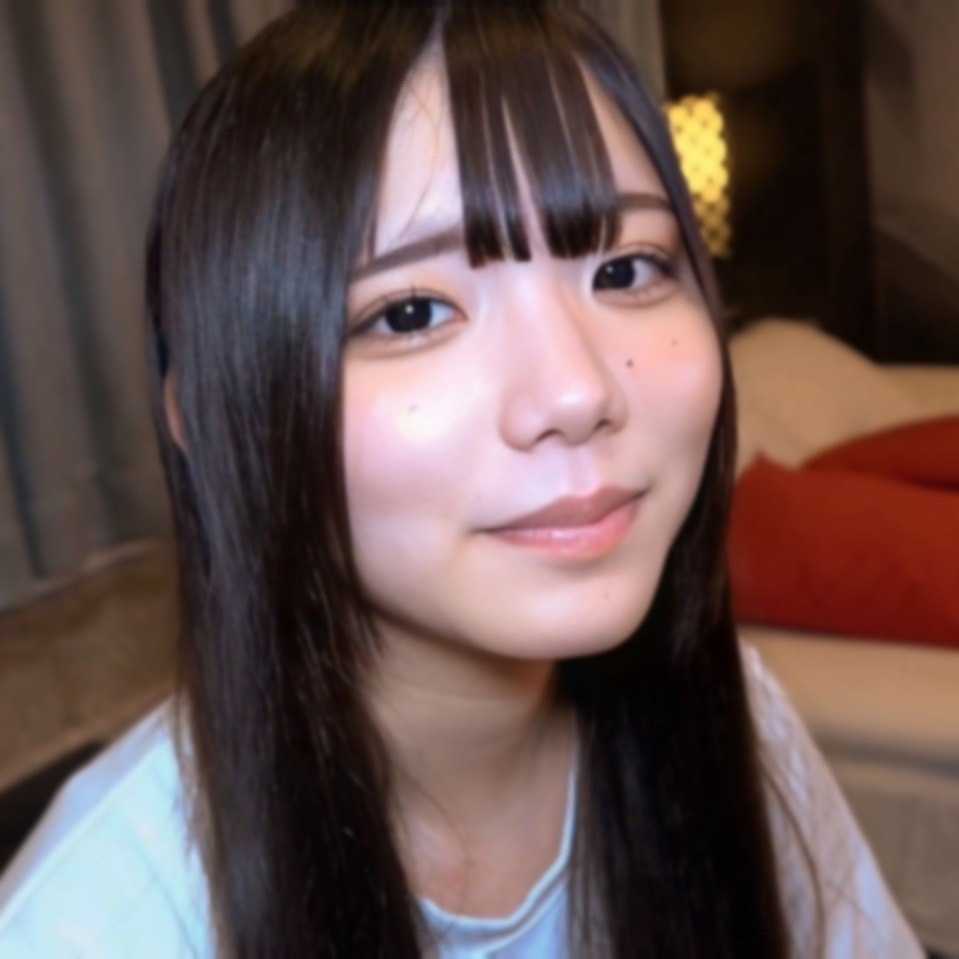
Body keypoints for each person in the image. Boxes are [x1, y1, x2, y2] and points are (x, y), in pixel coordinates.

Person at [0, 2, 923, 956]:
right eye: (410, 313)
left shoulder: (737, 724)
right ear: (206, 414)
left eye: (624, 270)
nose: (576, 391)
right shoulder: (89, 926)